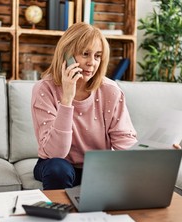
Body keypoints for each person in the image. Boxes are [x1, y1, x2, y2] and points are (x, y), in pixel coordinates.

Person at [31, 22, 137, 191]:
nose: (92, 63)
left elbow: (125, 143)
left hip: (96, 166)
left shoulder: (110, 91)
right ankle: (59, 214)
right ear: (67, 55)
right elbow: (55, 153)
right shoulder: (44, 89)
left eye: (97, 56)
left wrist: (158, 154)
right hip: (56, 162)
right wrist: (67, 99)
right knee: (58, 169)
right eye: (85, 54)